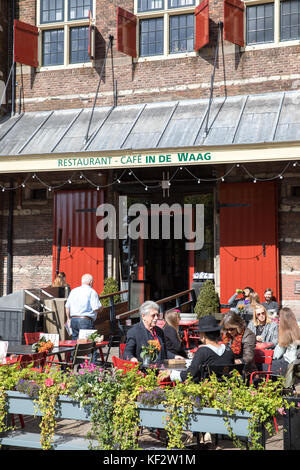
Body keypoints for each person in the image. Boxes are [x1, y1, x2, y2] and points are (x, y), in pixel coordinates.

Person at [161, 315, 235, 384]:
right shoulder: (229, 350)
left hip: (207, 392)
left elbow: (189, 375)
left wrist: (171, 374)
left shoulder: (202, 352)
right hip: (226, 390)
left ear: (203, 335)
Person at [65, 273, 103, 341]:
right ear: (90, 282)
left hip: (74, 319)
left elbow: (67, 307)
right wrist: (101, 308)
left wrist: (68, 319)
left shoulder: (73, 291)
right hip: (85, 320)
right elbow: (95, 308)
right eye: (93, 282)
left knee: (75, 342)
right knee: (88, 342)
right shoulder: (92, 292)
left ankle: (75, 352)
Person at [271, 307, 300, 376]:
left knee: (263, 365)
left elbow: (276, 355)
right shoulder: (297, 328)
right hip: (296, 360)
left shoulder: (286, 333)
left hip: (289, 363)